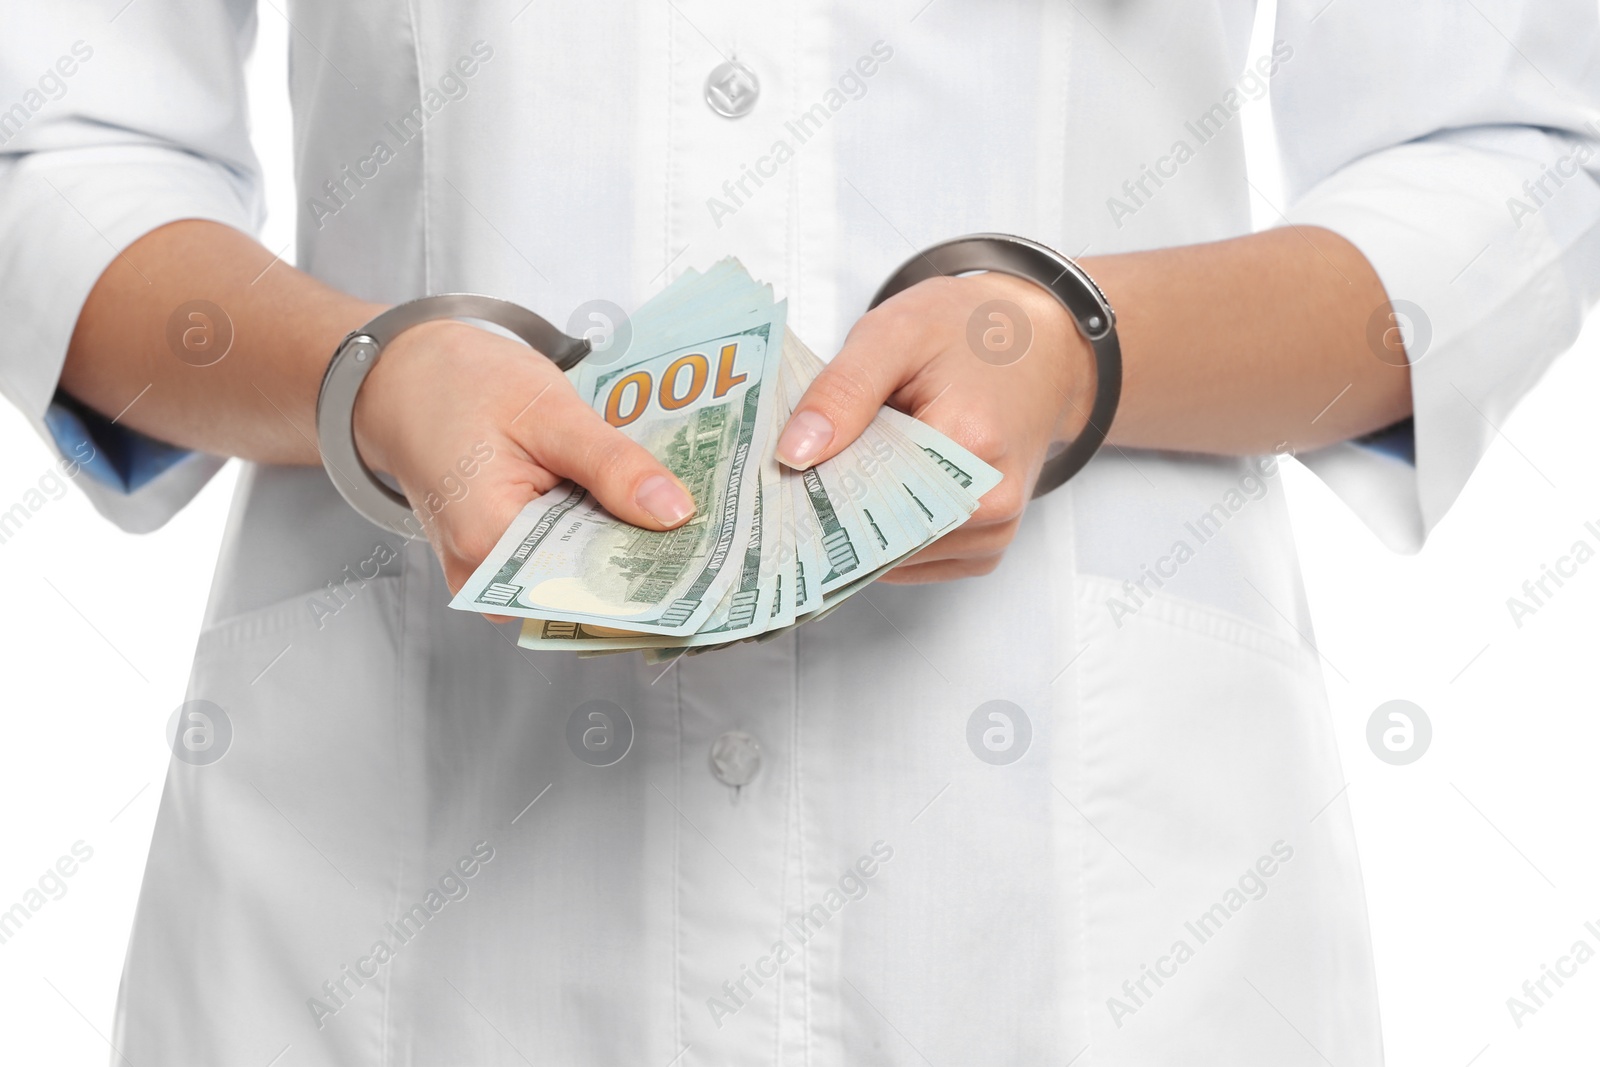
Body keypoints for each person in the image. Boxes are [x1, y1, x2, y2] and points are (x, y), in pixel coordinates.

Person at [2, 1, 1596, 1063]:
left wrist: (1086, 346)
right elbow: (49, 142)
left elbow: (1510, 152)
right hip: (397, 904)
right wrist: (364, 382)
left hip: (1089, 918)